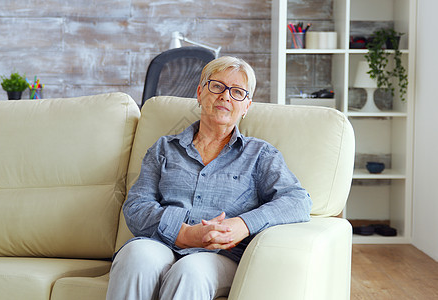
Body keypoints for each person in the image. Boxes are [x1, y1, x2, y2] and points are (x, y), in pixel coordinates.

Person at [106, 56, 312, 300]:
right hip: (161, 243)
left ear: (247, 106)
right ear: (200, 93)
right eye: (217, 86)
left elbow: (298, 201)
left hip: (221, 257)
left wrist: (242, 225)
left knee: (189, 271)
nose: (225, 96)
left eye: (237, 92)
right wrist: (184, 234)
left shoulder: (260, 154)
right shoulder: (164, 149)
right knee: (135, 255)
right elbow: (136, 207)